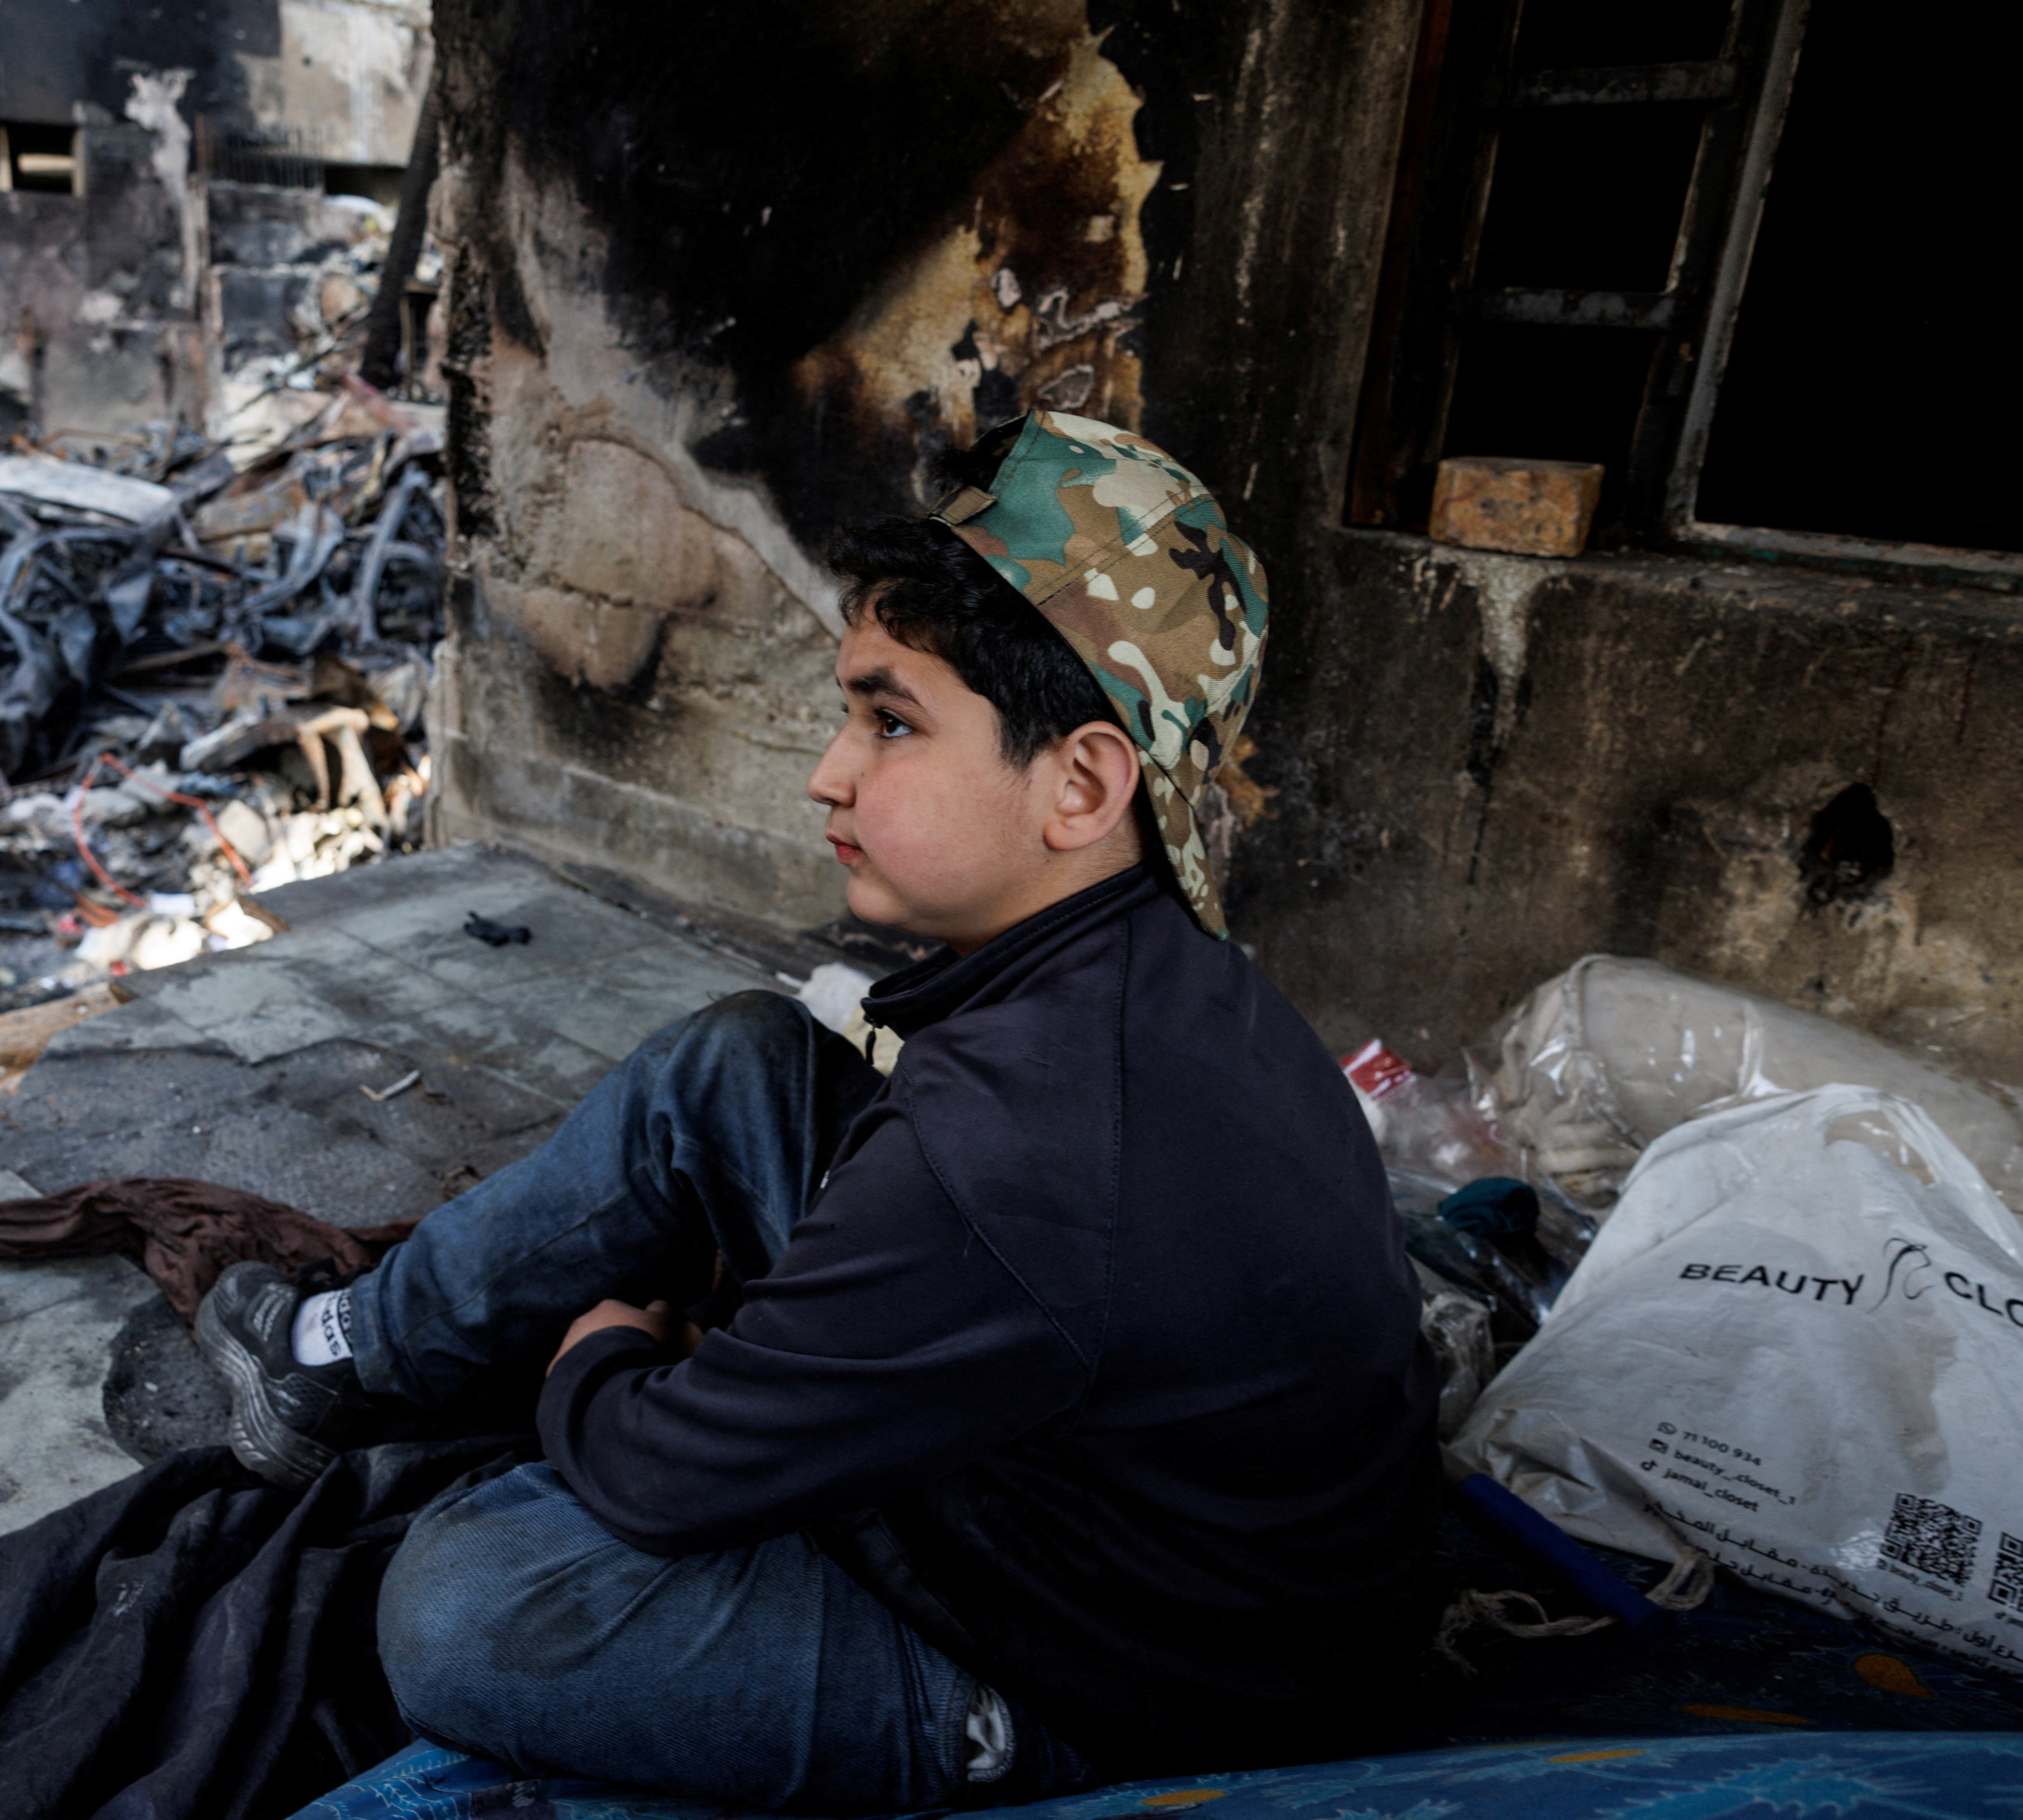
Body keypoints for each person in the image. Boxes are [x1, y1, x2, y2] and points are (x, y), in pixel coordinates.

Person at [201, 412, 1440, 1814]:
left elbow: (663, 1476)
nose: (828, 773)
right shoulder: (1157, 975)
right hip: (1103, 1501)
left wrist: (594, 1367)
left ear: (1083, 783)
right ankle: (339, 1353)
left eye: (891, 721)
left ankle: (992, 1741)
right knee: (744, 1061)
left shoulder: (1025, 1145)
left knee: (466, 1600)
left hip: (1144, 1674)